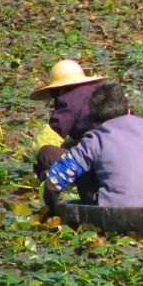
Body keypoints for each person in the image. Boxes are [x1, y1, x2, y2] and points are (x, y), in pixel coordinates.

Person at [42, 81, 143, 210]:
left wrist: (52, 208)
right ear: (129, 110)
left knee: (82, 171)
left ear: (95, 120)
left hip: (115, 212)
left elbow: (54, 181)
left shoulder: (94, 139)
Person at [30, 59, 107, 202]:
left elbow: (48, 138)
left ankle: (88, 197)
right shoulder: (105, 93)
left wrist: (40, 169)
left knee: (46, 152)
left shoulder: (69, 99)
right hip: (125, 156)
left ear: (59, 89)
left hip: (102, 163)